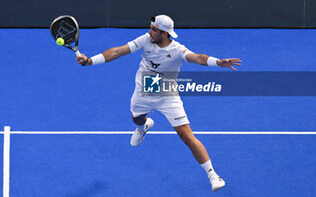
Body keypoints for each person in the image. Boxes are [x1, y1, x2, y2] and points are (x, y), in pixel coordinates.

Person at [76, 15, 242, 192]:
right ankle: (144, 127)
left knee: (187, 136)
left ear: (165, 33)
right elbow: (118, 51)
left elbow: (198, 58)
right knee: (137, 119)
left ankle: (213, 175)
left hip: (167, 95)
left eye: (154, 29)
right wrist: (90, 60)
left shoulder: (178, 50)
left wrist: (218, 62)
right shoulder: (145, 40)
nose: (149, 32)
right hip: (143, 92)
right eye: (150, 28)